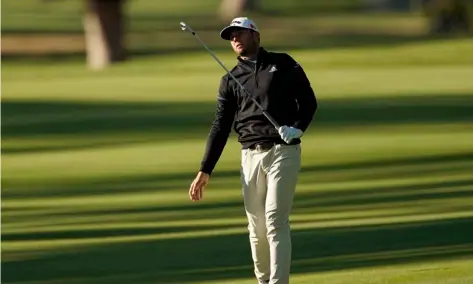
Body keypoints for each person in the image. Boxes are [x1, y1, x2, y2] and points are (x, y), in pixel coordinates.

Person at [188, 17, 317, 284]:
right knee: (256, 228)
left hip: (283, 150)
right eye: (231, 36)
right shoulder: (230, 79)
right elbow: (220, 126)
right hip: (250, 155)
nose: (234, 39)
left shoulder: (283, 64)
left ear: (255, 35)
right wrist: (205, 169)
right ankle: (264, 280)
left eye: (239, 33)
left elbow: (308, 101)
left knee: (274, 219)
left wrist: (298, 128)